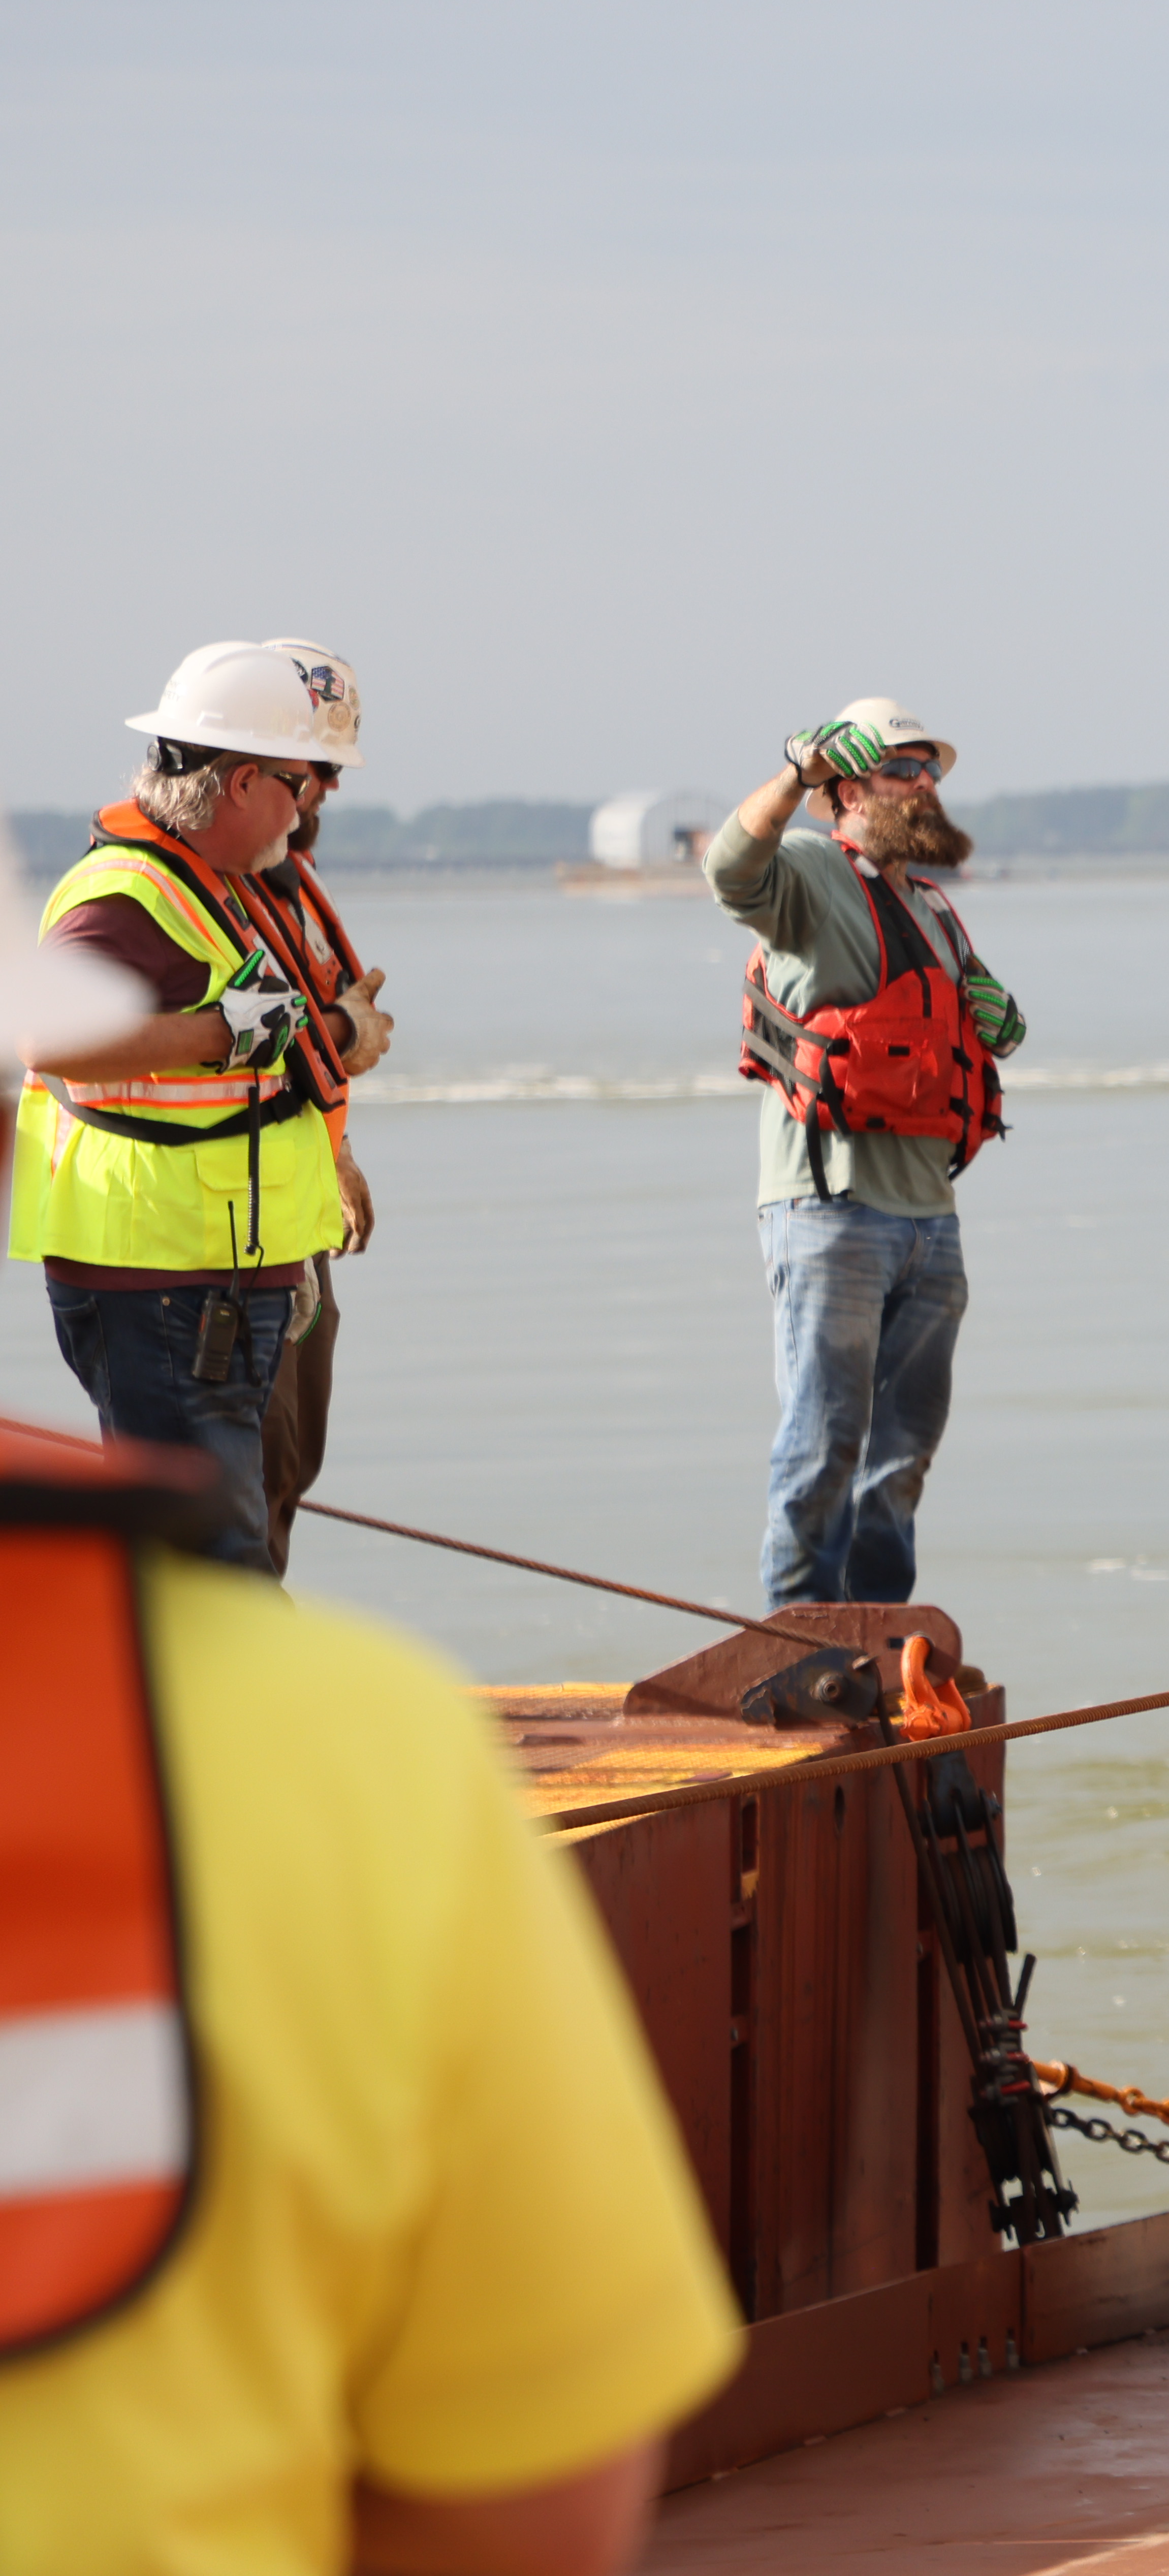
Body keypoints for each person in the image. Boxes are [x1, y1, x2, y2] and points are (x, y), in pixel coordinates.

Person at [0, 797, 742, 2576]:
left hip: (256, 1258)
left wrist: (313, 1131)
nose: (313, 804)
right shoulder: (323, 1750)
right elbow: (530, 2492)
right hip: (187, 1283)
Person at [12, 642, 380, 1570]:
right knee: (212, 1565)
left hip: (209, 1268)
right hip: (163, 1277)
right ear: (244, 781)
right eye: (299, 782)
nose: (308, 804)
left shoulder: (212, 880)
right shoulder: (129, 895)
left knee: (224, 1547)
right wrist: (222, 1031)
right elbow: (46, 1037)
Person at [711, 698, 1025, 1606]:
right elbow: (730, 868)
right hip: (830, 1210)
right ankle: (801, 1638)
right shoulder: (813, 872)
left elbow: (973, 1032)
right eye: (903, 770)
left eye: (932, 771)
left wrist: (1004, 1023)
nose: (925, 786)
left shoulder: (934, 910)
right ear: (850, 790)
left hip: (931, 1222)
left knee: (902, 1456)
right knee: (823, 1444)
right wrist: (794, 774)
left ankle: (880, 1636)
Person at [251, 639, 394, 1575]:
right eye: (320, 770)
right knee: (251, 1467)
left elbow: (295, 1059)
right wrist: (345, 1032)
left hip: (292, 1212)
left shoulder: (288, 886)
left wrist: (337, 1157)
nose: (330, 792)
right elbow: (240, 1046)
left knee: (291, 1459)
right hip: (219, 1241)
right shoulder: (196, 890)